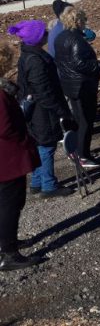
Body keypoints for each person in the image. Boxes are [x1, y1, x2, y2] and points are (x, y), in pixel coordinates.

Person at [12, 20, 73, 198]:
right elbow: (44, 92)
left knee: (38, 145)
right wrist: (62, 111)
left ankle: (37, 181)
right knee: (46, 146)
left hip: (36, 110)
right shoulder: (36, 60)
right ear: (37, 38)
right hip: (42, 112)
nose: (47, 34)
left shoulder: (28, 55)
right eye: (44, 32)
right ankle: (49, 185)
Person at [0, 46, 41, 271]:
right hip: (7, 157)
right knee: (10, 203)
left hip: (6, 156)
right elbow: (5, 128)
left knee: (8, 202)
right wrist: (24, 138)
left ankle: (7, 241)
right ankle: (8, 252)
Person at [54, 6, 100, 169]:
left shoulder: (61, 37)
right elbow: (79, 63)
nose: (85, 23)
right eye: (83, 20)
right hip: (82, 86)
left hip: (69, 84)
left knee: (80, 120)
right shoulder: (76, 40)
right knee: (85, 122)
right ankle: (82, 155)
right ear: (76, 21)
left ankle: (82, 152)